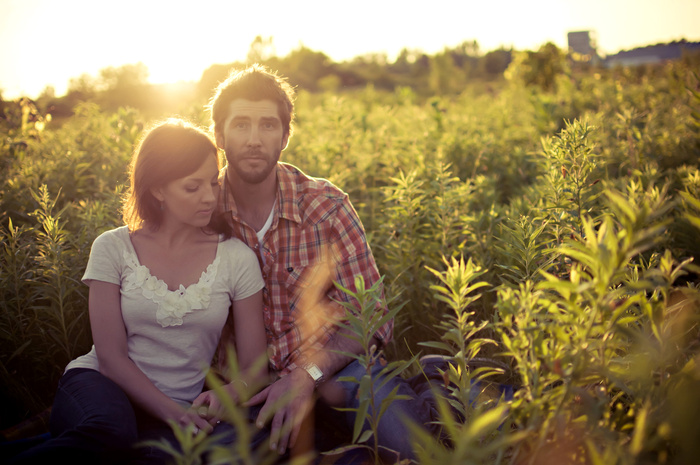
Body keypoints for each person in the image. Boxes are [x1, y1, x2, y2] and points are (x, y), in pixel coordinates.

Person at [209, 64, 446, 463]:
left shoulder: (326, 206)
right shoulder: (202, 211)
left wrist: (306, 375)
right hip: (250, 389)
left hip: (336, 372)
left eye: (268, 126)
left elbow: (370, 317)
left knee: (417, 452)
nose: (254, 139)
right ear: (219, 134)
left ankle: (433, 390)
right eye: (241, 125)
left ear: (285, 136)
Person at [8, 119, 268, 465]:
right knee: (110, 432)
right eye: (192, 187)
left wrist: (231, 393)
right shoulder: (113, 247)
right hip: (99, 387)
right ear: (158, 190)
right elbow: (111, 357)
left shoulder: (237, 258)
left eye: (212, 182)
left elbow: (255, 367)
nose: (209, 196)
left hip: (178, 408)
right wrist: (174, 415)